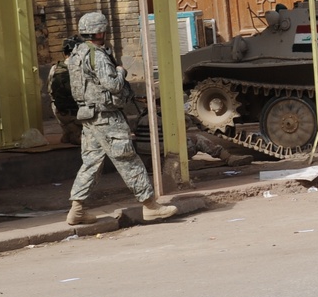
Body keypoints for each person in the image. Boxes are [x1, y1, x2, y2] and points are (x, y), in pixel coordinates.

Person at [65, 12, 177, 226]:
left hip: (89, 116)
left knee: (91, 163)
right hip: (107, 117)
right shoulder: (96, 55)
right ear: (99, 31)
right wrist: (120, 72)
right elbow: (113, 86)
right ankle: (151, 206)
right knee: (128, 159)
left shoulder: (77, 53)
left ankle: (76, 210)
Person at [134, 112, 254, 168]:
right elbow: (182, 129)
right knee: (198, 138)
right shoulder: (167, 117)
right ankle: (228, 158)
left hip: (144, 159)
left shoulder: (141, 118)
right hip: (164, 157)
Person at [47, 36, 84, 145]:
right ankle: (77, 133)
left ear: (64, 53)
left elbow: (50, 91)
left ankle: (68, 130)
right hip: (81, 115)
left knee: (53, 102)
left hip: (62, 114)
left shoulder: (55, 68)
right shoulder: (82, 68)